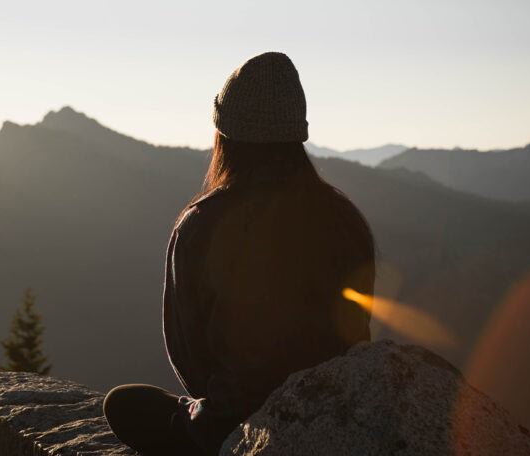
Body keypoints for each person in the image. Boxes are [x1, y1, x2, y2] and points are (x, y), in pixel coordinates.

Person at [102, 52, 376, 455]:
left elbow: (189, 355)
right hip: (334, 418)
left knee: (124, 403)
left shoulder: (202, 223)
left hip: (236, 431)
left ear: (224, 135)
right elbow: (356, 334)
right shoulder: (344, 219)